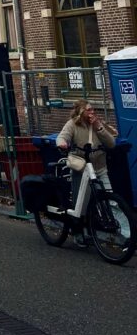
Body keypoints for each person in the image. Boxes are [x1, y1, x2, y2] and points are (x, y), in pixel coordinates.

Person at [56, 98, 116, 247]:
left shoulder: (98, 124)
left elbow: (111, 143)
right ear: (81, 112)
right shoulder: (72, 125)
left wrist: (99, 128)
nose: (92, 112)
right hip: (82, 170)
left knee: (111, 200)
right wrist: (62, 144)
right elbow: (62, 136)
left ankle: (123, 233)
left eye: (93, 109)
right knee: (80, 205)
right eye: (89, 110)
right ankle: (78, 232)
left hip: (100, 169)